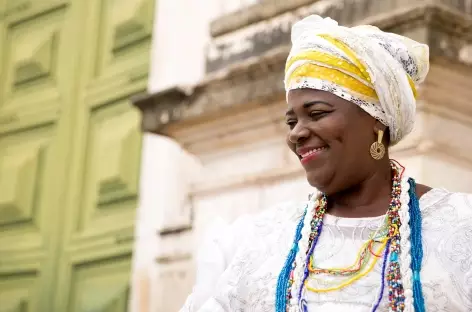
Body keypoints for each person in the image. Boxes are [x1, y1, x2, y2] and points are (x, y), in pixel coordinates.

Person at [180, 15, 472, 312]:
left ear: (376, 120)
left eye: (317, 113)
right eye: (291, 121)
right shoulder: (260, 242)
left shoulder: (459, 228)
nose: (296, 133)